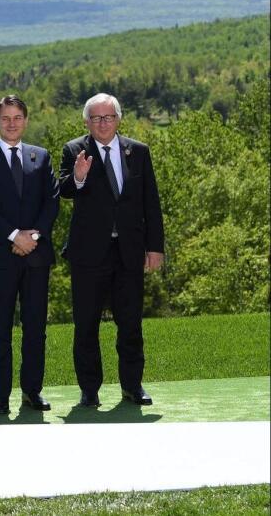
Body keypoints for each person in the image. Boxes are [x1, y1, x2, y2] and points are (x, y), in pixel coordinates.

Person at [58, 93, 164, 407]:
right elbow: (63, 190)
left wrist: (155, 247)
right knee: (86, 325)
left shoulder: (139, 151)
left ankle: (133, 385)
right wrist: (77, 177)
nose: (102, 123)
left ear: (118, 119)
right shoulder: (74, 150)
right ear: (86, 122)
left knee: (130, 323)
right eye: (96, 118)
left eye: (108, 117)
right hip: (89, 255)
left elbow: (151, 203)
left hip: (129, 252)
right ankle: (89, 390)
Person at [0, 96, 59, 415]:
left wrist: (33, 236)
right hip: (0, 256)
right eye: (5, 118)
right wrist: (14, 236)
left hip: (36, 255)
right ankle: (1, 396)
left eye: (17, 117)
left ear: (26, 120)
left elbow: (52, 201)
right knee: (0, 329)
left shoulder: (41, 156)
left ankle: (32, 391)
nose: (11, 123)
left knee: (35, 328)